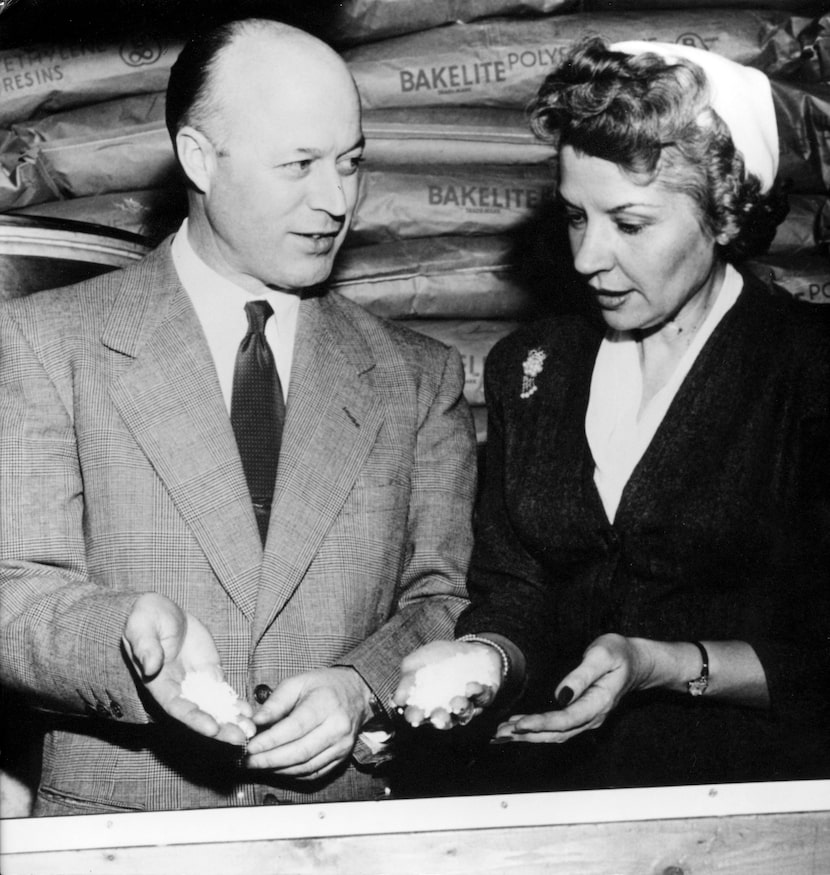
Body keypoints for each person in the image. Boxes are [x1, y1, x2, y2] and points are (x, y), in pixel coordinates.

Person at [0, 18, 477, 815]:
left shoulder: (416, 377)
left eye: (350, 164)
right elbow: (13, 593)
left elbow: (445, 600)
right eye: (298, 165)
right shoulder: (48, 344)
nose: (335, 202)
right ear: (198, 158)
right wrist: (124, 631)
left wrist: (363, 685)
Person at [394, 37, 830, 790]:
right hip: (552, 795)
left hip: (755, 798)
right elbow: (514, 586)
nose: (588, 257)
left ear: (725, 214)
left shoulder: (806, 371)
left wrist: (663, 663)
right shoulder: (532, 368)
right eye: (573, 218)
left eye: (629, 224)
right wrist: (487, 657)